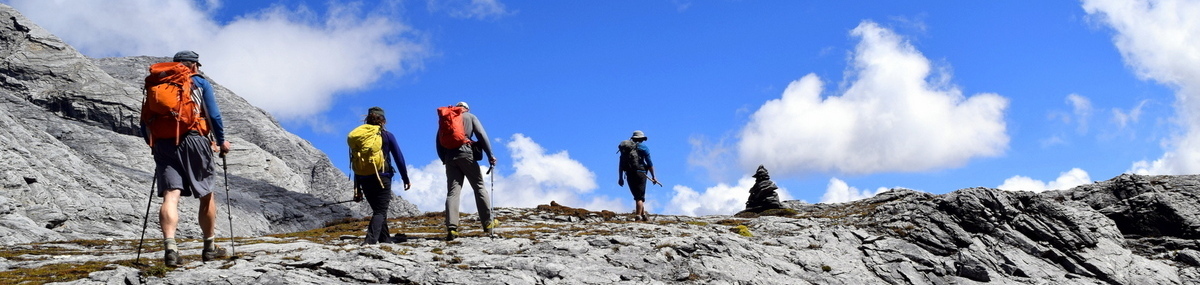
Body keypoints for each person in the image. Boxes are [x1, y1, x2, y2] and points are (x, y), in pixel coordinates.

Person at [146, 51, 231, 266]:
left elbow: (144, 119)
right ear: (193, 66)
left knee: (171, 196)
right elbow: (214, 115)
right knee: (206, 194)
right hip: (194, 139)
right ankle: (209, 247)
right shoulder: (198, 82)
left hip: (164, 143)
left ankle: (170, 247)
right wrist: (221, 141)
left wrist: (154, 144)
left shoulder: (157, 84)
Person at [350, 107, 412, 245]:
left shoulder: (360, 138)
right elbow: (399, 158)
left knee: (378, 210)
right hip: (382, 176)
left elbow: (355, 162)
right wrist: (405, 178)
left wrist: (357, 189)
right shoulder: (387, 136)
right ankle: (369, 241)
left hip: (363, 177)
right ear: (383, 120)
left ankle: (385, 239)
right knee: (380, 211)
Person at [436, 102, 497, 240]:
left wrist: (444, 159)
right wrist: (490, 155)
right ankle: (488, 223)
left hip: (450, 156)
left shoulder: (446, 119)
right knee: (479, 186)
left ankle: (452, 228)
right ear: (466, 109)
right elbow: (481, 134)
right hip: (466, 153)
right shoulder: (470, 117)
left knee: (453, 192)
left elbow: (438, 142)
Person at [617, 130, 658, 221]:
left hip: (629, 172)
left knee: (637, 195)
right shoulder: (643, 147)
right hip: (641, 172)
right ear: (642, 139)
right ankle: (638, 216)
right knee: (639, 197)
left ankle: (643, 215)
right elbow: (649, 163)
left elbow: (621, 164)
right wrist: (653, 176)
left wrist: (620, 177)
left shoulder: (625, 149)